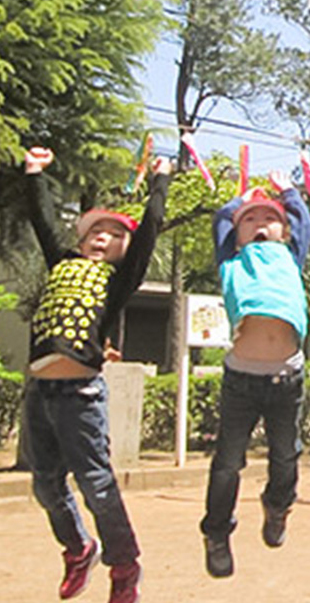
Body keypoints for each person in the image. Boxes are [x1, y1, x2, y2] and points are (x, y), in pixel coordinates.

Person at [22, 145, 172, 603]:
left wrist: (160, 181)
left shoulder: (117, 281)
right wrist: (34, 174)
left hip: (81, 393)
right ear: (81, 240)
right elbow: (44, 222)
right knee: (46, 484)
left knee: (96, 483)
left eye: (113, 234)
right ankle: (78, 549)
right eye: (95, 231)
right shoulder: (62, 263)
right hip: (39, 391)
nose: (102, 237)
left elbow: (147, 233)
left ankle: (124, 565)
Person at [200, 170, 310, 577]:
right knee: (228, 461)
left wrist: (287, 190)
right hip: (241, 379)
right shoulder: (232, 260)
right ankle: (217, 533)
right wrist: (239, 198)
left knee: (286, 454)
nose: (260, 223)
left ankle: (278, 506)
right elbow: (220, 220)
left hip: (288, 377)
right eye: (249, 219)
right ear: (237, 232)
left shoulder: (290, 257)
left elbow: (301, 216)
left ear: (284, 232)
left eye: (270, 219)